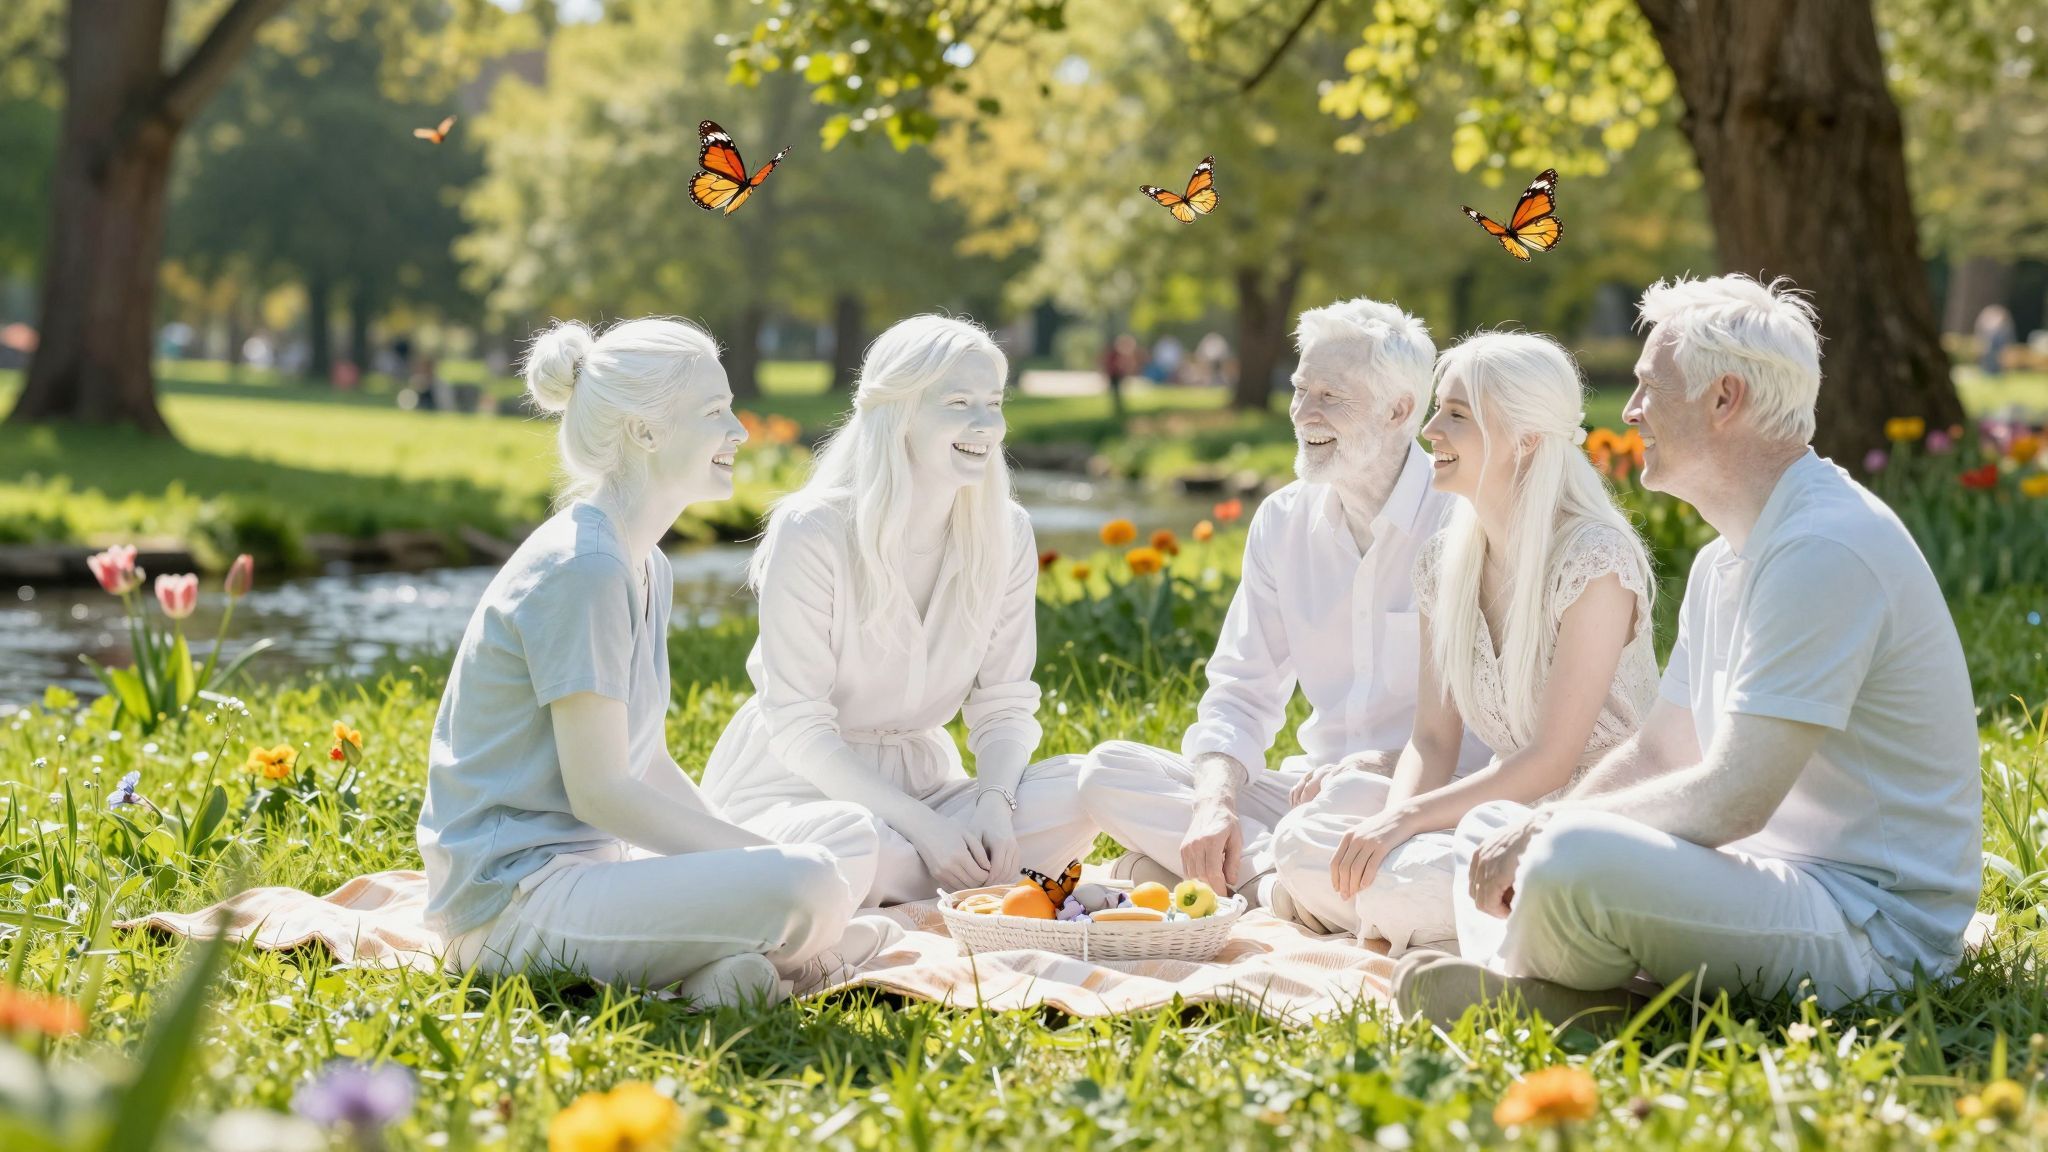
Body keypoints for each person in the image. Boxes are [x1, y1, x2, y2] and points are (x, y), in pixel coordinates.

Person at [1397, 275, 1983, 1024]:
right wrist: (1538, 823)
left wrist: (1552, 830)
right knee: (1495, 827)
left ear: (1723, 399)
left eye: (1648, 387)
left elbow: (1735, 797)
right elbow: (1657, 754)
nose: (1631, 411)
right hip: (1765, 878)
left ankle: (1556, 994)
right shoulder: (1725, 558)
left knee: (1563, 853)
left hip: (1869, 930)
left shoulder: (1826, 547)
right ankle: (1572, 994)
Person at [417, 318, 898, 1009]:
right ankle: (780, 953)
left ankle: (720, 973)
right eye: (714, 413)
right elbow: (602, 793)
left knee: (846, 835)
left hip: (598, 872)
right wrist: (755, 865)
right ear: (644, 433)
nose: (739, 431)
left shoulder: (646, 564)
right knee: (811, 882)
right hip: (513, 904)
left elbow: (643, 760)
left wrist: (747, 860)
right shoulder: (584, 569)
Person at [1077, 298, 1489, 918]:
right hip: (1307, 795)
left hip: (1427, 799)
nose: (1302, 413)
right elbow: (1242, 692)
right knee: (1106, 772)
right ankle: (1288, 886)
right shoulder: (1282, 519)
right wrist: (1215, 803)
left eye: (1330, 396)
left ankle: (1259, 883)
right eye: (1300, 389)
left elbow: (1499, 728)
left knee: (1344, 806)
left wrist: (1374, 766)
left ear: (1401, 410)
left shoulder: (1464, 521)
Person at [1270, 332, 1657, 955]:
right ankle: (1402, 912)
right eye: (1436, 409)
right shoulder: (1442, 563)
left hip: (1586, 822)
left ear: (1526, 441)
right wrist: (1390, 830)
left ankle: (1387, 913)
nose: (1429, 431)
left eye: (1455, 414)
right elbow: (1432, 740)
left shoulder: (1595, 560)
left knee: (1393, 879)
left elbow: (1554, 761)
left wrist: (1403, 828)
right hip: (1493, 813)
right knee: (1303, 840)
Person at [701, 314, 1097, 906]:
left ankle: (917, 885)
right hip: (801, 791)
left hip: (931, 787)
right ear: (899, 412)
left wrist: (994, 802)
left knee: (1089, 786)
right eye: (959, 402)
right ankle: (947, 882)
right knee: (858, 843)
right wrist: (927, 831)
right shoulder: (813, 531)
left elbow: (1004, 703)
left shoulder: (1005, 532)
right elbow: (801, 729)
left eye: (993, 402)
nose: (985, 424)